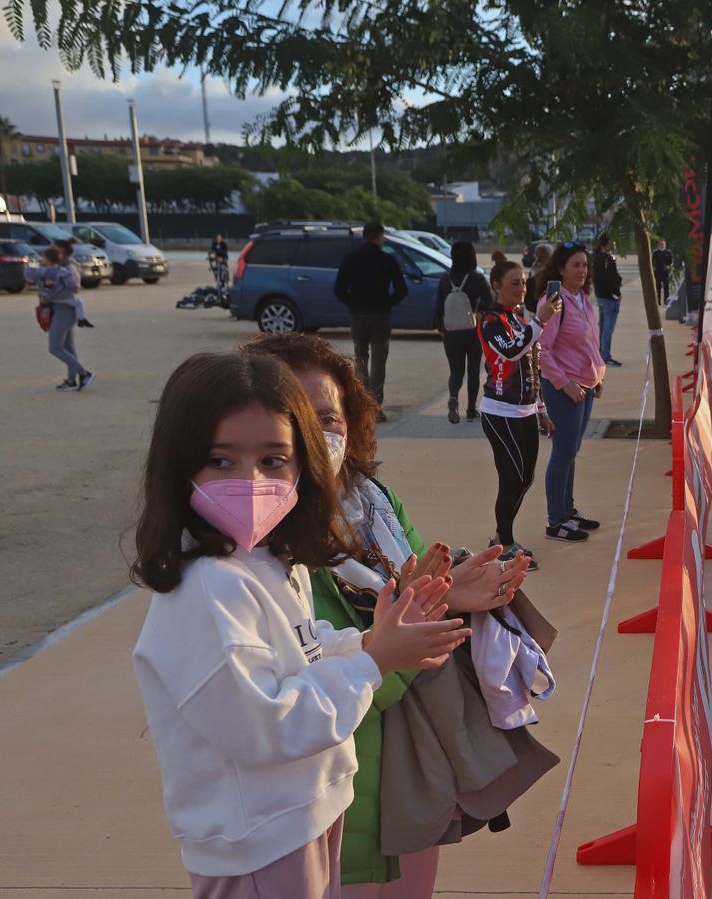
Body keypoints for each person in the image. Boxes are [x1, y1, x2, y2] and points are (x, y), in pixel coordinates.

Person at [129, 350, 468, 894]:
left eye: (273, 459)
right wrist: (373, 662)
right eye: (221, 460)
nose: (252, 480)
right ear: (178, 464)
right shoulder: (207, 590)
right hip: (259, 841)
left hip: (306, 813)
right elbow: (266, 724)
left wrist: (366, 642)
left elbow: (300, 650)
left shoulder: (267, 559)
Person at [247, 332, 534, 894]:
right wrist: (415, 623)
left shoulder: (374, 502)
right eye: (296, 414)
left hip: (415, 779)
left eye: (329, 416)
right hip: (337, 804)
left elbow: (416, 598)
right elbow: (308, 696)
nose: (317, 432)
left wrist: (453, 595)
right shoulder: (264, 546)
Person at [479, 251, 563, 561]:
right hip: (500, 412)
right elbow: (513, 352)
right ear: (497, 285)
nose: (521, 289)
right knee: (511, 478)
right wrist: (540, 320)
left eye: (525, 283)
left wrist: (541, 409)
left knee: (525, 478)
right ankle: (504, 545)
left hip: (526, 410)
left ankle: (501, 537)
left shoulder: (518, 318)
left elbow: (533, 363)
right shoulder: (491, 320)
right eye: (515, 283)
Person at [536, 242, 606, 543]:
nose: (582, 270)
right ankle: (556, 521)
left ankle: (567, 510)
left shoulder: (581, 299)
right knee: (563, 453)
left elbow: (589, 342)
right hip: (564, 388)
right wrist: (564, 382)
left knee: (571, 451)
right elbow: (541, 349)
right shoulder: (555, 302)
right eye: (575, 265)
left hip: (585, 385)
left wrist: (597, 374)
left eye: (585, 265)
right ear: (561, 269)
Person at [334, 222, 408, 421]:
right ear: (379, 236)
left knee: (360, 359)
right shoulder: (387, 259)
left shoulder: (350, 259)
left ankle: (361, 406)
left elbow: (338, 290)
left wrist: (353, 303)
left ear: (364, 236)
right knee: (378, 362)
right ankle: (376, 407)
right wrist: (387, 303)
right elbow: (402, 290)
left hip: (358, 316)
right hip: (380, 316)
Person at [435, 241, 491, 424]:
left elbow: (438, 306)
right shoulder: (477, 279)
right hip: (473, 330)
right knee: (473, 370)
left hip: (451, 331)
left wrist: (440, 328)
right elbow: (489, 303)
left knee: (456, 370)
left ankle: (453, 398)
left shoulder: (445, 279)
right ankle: (471, 410)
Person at [30, 245, 93, 391]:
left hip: (64, 310)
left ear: (48, 258)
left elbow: (71, 290)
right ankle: (71, 380)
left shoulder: (63, 271)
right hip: (61, 309)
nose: (41, 259)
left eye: (43, 256)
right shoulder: (52, 272)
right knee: (68, 347)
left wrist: (48, 298)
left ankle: (84, 373)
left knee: (55, 347)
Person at [590, 234, 624, 367]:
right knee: (608, 328)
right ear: (606, 243)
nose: (614, 245)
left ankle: (599, 352)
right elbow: (610, 279)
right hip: (609, 297)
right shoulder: (607, 259)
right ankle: (605, 355)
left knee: (602, 326)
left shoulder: (595, 258)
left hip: (600, 295)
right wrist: (617, 293)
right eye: (612, 242)